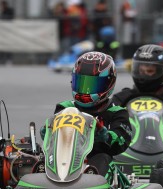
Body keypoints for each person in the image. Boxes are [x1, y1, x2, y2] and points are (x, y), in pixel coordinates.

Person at [41, 51, 132, 179]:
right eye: (81, 83)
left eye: (92, 85)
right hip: (64, 159)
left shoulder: (116, 112)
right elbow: (54, 137)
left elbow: (122, 140)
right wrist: (47, 130)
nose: (85, 90)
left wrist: (104, 136)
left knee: (102, 158)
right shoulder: (65, 107)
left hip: (95, 164)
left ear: (108, 83)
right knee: (41, 157)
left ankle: (95, 187)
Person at [112, 44, 163, 148]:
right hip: (128, 150)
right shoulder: (123, 97)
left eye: (149, 71)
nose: (143, 75)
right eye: (141, 71)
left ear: (162, 70)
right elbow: (105, 116)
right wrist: (120, 113)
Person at [0, 0, 14, 65]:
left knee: (8, 46)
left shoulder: (10, 11)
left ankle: (9, 60)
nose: (0, 7)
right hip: (2, 33)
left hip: (8, 32)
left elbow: (10, 19)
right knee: (1, 46)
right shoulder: (2, 12)